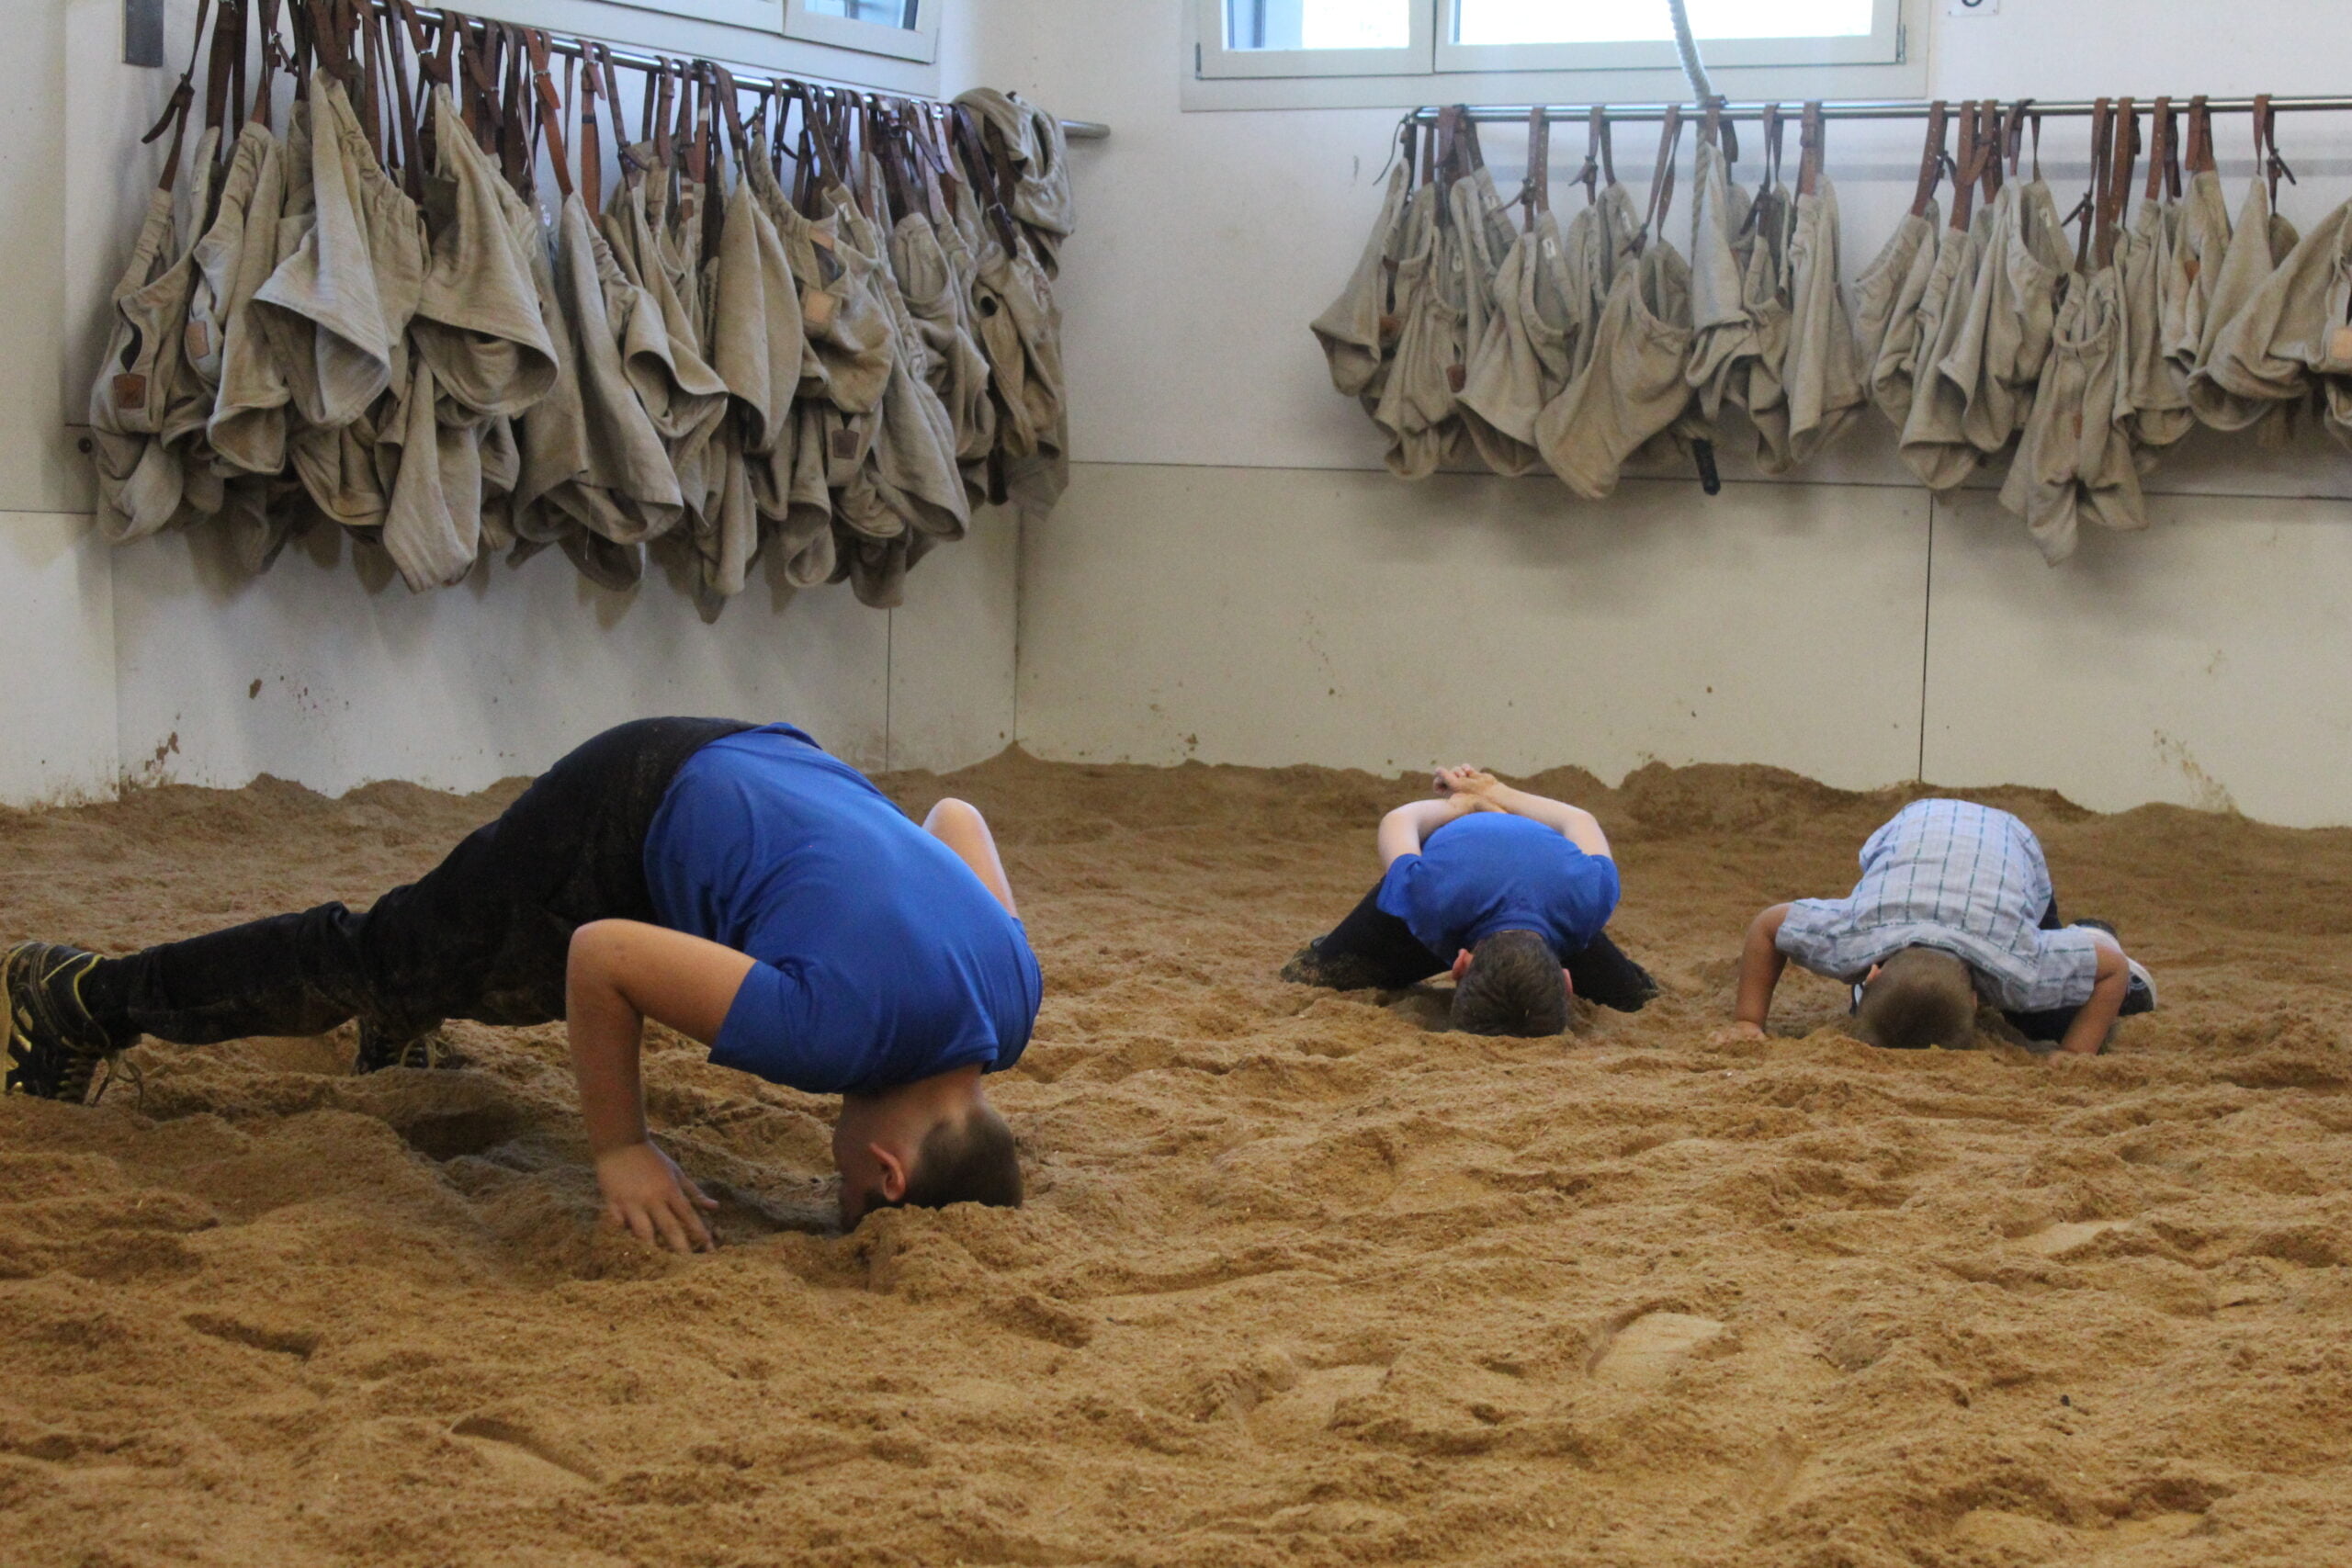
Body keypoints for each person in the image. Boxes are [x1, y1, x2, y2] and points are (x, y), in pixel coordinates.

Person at [1, 718, 1041, 1251]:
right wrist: (622, 1149)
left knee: (475, 959)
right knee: (388, 959)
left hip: (762, 756)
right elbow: (604, 955)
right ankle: (84, 996)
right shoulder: (831, 1036)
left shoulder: (1013, 999)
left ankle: (401, 1027)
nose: (832, 1172)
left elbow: (954, 820)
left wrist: (838, 886)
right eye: (843, 1190)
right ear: (886, 1175)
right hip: (630, 803)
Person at [1724, 797, 2156, 1055]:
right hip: (1912, 834)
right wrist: (1748, 1020)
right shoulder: (1851, 936)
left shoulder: (2018, 966)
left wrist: (2076, 1051)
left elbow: (2112, 968)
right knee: (1896, 1010)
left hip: (2013, 849)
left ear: (1977, 1000)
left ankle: (2091, 932)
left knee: (2045, 1022)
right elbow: (1768, 927)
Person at [1281, 765, 1657, 1036]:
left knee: (1634, 998)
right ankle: (1486, 813)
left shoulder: (1592, 895)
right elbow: (1581, 821)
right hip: (1453, 894)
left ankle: (1487, 813)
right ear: (1566, 980)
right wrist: (1474, 801)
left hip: (1472, 897)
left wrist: (1479, 798)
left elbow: (1399, 820)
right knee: (1315, 974)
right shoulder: (1424, 895)